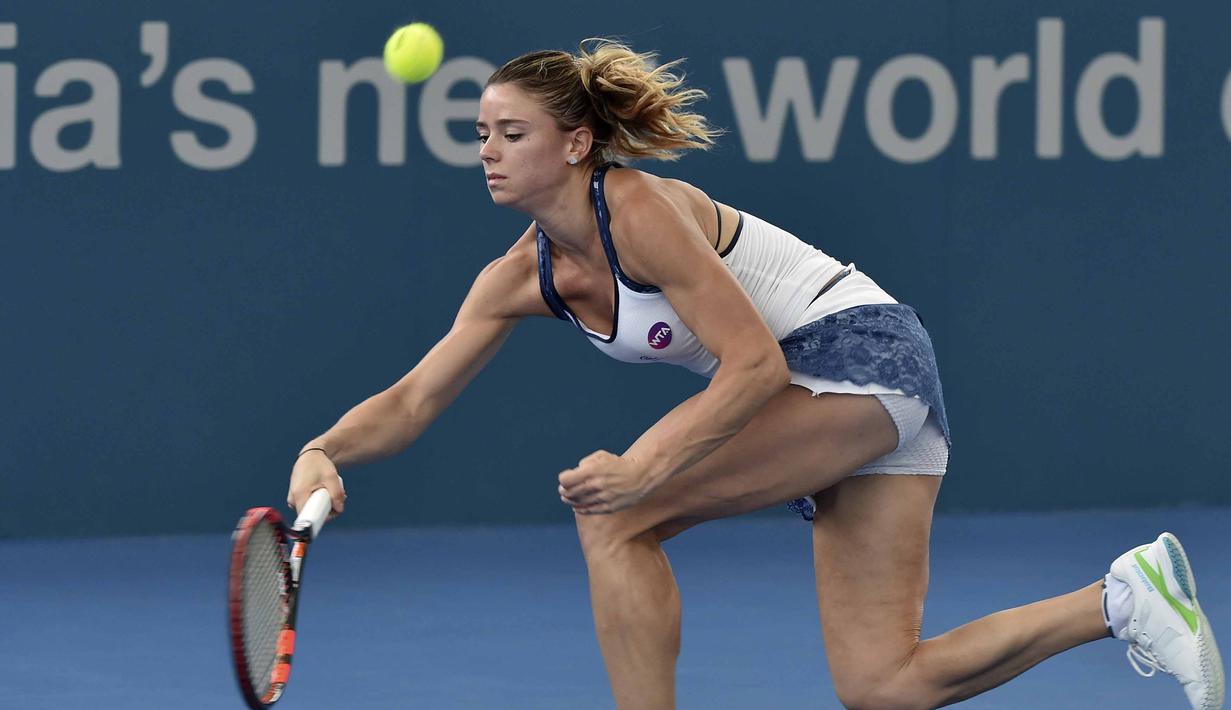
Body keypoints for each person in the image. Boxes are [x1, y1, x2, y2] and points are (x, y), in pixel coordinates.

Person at [287, 39, 1224, 710]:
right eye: (480, 132)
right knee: (881, 685)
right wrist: (325, 449)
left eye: (510, 132)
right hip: (851, 398)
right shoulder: (517, 278)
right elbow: (412, 399)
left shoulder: (640, 206)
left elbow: (753, 364)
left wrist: (644, 466)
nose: (486, 150)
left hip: (860, 358)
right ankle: (1121, 597)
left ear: (574, 143)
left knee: (616, 516)